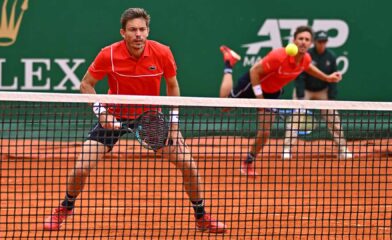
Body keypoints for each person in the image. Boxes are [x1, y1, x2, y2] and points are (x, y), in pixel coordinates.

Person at [43, 8, 226, 233]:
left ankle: (202, 217)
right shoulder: (108, 54)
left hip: (149, 118)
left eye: (142, 29)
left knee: (188, 164)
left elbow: (173, 86)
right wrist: (102, 113)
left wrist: (175, 125)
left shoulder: (162, 52)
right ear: (123, 33)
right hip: (114, 114)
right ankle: (65, 208)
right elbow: (85, 84)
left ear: (148, 31)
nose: (138, 34)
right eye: (132, 30)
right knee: (81, 168)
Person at [218, 26, 342, 177]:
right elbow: (254, 71)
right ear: (294, 41)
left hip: (272, 93)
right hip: (253, 84)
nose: (303, 42)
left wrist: (327, 78)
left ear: (311, 43)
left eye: (307, 39)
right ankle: (228, 64)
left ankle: (248, 163)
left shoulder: (306, 59)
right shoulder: (279, 56)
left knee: (264, 133)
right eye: (300, 39)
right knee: (224, 107)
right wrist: (259, 99)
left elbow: (307, 67)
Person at [282, 30, 353, 160]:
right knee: (296, 117)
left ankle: (343, 148)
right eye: (319, 41)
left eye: (324, 41)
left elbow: (333, 78)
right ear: (315, 42)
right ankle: (287, 149)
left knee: (333, 118)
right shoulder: (307, 55)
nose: (321, 44)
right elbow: (300, 76)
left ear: (326, 42)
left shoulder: (330, 56)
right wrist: (301, 96)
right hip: (306, 91)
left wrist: (331, 97)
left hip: (322, 91)